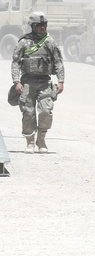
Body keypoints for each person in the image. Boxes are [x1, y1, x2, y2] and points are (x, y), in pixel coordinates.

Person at [10, 11, 65, 153]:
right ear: (33, 26)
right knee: (28, 112)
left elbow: (58, 61)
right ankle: (30, 142)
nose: (43, 27)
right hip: (27, 82)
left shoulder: (49, 42)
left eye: (44, 25)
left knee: (46, 110)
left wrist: (61, 80)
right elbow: (15, 63)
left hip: (45, 82)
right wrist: (16, 82)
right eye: (40, 25)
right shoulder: (24, 42)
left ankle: (41, 139)